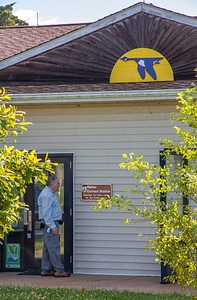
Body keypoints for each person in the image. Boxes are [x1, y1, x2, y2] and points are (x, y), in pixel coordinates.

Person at [37, 175, 71, 277]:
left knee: (47, 248)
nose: (59, 186)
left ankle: (46, 269)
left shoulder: (49, 194)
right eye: (58, 183)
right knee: (54, 247)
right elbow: (46, 213)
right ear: (52, 184)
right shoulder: (47, 195)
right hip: (50, 224)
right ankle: (59, 270)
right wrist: (52, 226)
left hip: (50, 223)